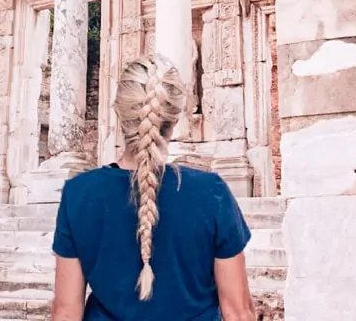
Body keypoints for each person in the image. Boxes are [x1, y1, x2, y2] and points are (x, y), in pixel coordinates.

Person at [51, 55, 255, 321]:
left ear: (118, 113)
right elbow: (239, 313)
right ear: (173, 119)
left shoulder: (79, 195)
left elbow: (66, 312)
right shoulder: (211, 193)